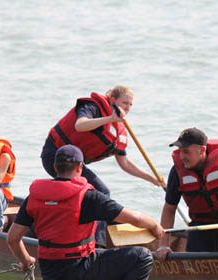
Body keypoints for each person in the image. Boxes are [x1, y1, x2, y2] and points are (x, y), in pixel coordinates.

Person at [7, 145, 165, 280]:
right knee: (142, 256)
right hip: (80, 269)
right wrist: (155, 226)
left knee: (100, 254)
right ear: (79, 167)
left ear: (55, 166)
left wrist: (26, 260)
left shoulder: (35, 196)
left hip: (50, 273)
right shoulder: (88, 196)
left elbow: (13, 239)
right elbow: (136, 218)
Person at [40, 85, 165, 246]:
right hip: (56, 156)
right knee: (101, 191)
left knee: (96, 193)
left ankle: (106, 231)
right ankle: (97, 244)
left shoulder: (118, 129)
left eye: (130, 104)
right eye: (124, 102)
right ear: (113, 101)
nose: (128, 108)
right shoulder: (92, 107)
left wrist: (153, 179)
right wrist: (110, 119)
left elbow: (125, 163)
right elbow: (80, 125)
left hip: (76, 165)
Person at [155, 128, 218, 258]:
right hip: (201, 222)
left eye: (186, 152)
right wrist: (164, 244)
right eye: (180, 151)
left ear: (201, 150)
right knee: (194, 261)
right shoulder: (177, 171)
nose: (182, 157)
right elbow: (169, 208)